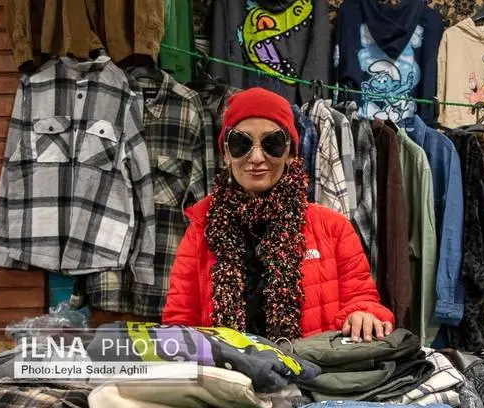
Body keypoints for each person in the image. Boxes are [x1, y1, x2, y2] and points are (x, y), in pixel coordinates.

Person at [162, 87, 394, 342]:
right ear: (226, 154)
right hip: (227, 366)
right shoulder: (201, 230)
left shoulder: (333, 227)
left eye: (272, 143)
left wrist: (363, 314)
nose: (256, 157)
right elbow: (179, 323)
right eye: (241, 144)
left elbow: (362, 299)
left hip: (307, 366)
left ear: (291, 153)